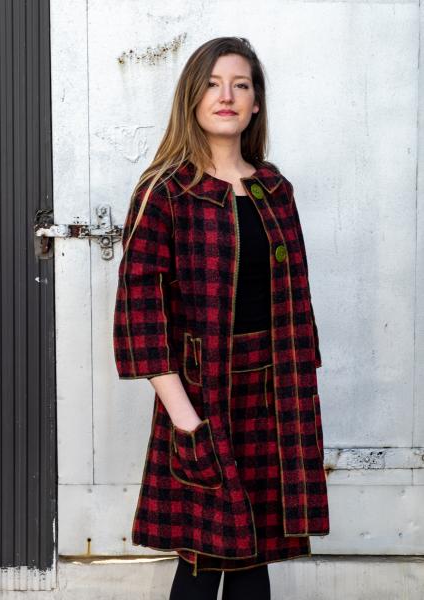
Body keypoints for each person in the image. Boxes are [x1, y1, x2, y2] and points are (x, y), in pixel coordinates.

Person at [113, 36, 329, 600]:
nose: (226, 96)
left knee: (255, 554)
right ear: (192, 98)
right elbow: (140, 314)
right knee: (204, 560)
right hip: (201, 394)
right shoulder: (166, 191)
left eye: (240, 85)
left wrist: (299, 400)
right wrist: (187, 421)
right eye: (212, 84)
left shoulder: (275, 190)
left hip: (273, 398)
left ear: (256, 103)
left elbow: (295, 305)